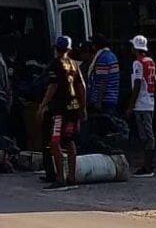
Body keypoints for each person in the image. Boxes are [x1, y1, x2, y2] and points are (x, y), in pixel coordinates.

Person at [38, 35, 86, 190]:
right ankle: (71, 177)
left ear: (55, 48)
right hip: (73, 108)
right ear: (69, 49)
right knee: (69, 141)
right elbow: (82, 87)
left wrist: (42, 105)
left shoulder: (55, 64)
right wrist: (83, 107)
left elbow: (53, 86)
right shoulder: (74, 64)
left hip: (60, 109)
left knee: (54, 142)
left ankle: (60, 178)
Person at [126, 35, 156, 177]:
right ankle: (146, 165)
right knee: (146, 135)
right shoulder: (150, 61)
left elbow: (137, 84)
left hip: (142, 103)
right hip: (149, 101)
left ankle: (147, 167)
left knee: (146, 136)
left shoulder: (137, 63)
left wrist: (131, 106)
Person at [87, 33, 120, 116]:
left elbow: (103, 81)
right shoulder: (112, 56)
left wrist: (98, 101)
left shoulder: (102, 58)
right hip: (112, 97)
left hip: (104, 100)